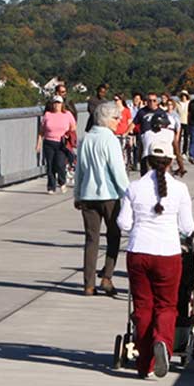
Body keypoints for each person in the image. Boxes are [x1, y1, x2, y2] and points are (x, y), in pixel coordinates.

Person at [117, 140, 194, 379]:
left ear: (147, 160)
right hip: (168, 253)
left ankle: (145, 365)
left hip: (139, 250)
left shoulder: (134, 187)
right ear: (171, 161)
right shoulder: (180, 189)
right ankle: (162, 341)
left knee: (142, 307)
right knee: (167, 305)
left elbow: (124, 223)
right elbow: (187, 226)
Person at [74, 101, 131, 296]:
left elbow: (79, 170)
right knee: (113, 236)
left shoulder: (86, 138)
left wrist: (77, 195)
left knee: (91, 240)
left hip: (88, 195)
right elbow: (118, 171)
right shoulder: (110, 140)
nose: (119, 122)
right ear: (107, 119)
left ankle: (88, 284)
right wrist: (129, 194)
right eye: (116, 118)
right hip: (109, 196)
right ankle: (107, 276)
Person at [36, 96, 77, 194]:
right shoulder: (47, 115)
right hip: (49, 142)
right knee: (50, 165)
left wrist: (68, 135)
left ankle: (62, 182)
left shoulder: (67, 114)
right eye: (55, 103)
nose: (56, 105)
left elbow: (73, 127)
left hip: (61, 143)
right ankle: (51, 186)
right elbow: (41, 131)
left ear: (62, 104)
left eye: (58, 103)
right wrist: (38, 143)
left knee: (60, 164)